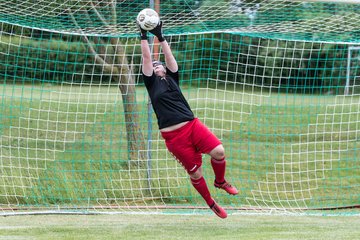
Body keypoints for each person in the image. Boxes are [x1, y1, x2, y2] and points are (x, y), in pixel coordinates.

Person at [138, 21, 238, 219]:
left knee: (219, 151)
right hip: (174, 137)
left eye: (160, 65)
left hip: (192, 125)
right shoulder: (151, 83)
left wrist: (160, 35)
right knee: (196, 174)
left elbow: (169, 58)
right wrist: (143, 35)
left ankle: (220, 182)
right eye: (155, 65)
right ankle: (211, 203)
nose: (157, 66)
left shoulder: (172, 77)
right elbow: (147, 57)